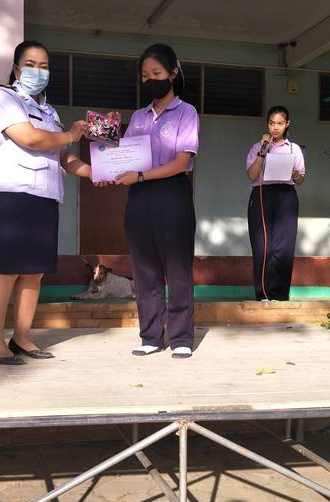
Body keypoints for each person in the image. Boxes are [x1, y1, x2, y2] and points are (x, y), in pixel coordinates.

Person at [0, 40, 91, 365]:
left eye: (44, 66)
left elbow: (63, 157)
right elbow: (29, 138)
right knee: (5, 270)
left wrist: (97, 173)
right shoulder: (5, 97)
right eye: (30, 64)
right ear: (17, 69)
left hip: (44, 196)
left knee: (33, 273)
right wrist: (71, 134)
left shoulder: (50, 111)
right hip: (10, 194)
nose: (38, 71)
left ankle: (22, 337)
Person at [113, 43, 200, 359]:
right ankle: (150, 336)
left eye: (157, 73)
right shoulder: (138, 117)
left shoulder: (186, 112)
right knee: (144, 268)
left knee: (177, 268)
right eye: (145, 75)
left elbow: (180, 163)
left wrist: (139, 176)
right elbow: (123, 158)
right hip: (139, 197)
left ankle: (180, 337)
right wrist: (107, 132)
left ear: (173, 74)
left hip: (173, 194)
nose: (150, 79)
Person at [245, 105, 306, 301]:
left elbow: (300, 179)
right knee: (262, 246)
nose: (276, 128)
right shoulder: (257, 147)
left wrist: (294, 172)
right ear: (267, 124)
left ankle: (279, 295)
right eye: (272, 123)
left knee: (284, 247)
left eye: (280, 123)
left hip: (286, 196)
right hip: (262, 195)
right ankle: (263, 294)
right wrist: (263, 150)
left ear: (287, 124)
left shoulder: (293, 148)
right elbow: (251, 175)